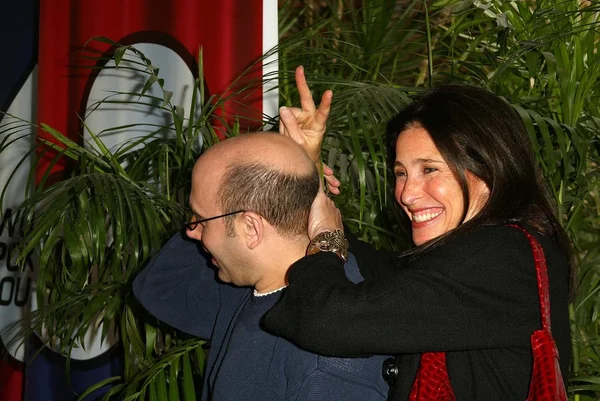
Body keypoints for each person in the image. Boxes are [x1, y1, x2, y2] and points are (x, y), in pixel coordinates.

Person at [263, 67, 572, 400]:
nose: (406, 194)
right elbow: (371, 268)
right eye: (400, 173)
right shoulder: (481, 258)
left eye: (429, 169)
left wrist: (326, 238)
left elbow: (325, 320)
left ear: (488, 169)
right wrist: (307, 170)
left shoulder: (504, 256)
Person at [132, 132, 390, 401]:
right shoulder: (247, 284)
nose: (191, 232)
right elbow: (159, 289)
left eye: (201, 220)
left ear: (251, 229)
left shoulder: (327, 371)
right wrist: (284, 174)